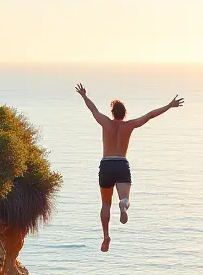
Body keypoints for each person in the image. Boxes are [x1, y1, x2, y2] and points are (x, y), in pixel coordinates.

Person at [75, 84, 184, 251]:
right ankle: (123, 204)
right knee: (124, 198)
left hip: (106, 164)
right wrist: (169, 105)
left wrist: (84, 96)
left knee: (105, 204)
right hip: (121, 164)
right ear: (124, 114)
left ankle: (106, 236)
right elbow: (150, 115)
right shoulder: (130, 125)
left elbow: (93, 109)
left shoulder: (105, 122)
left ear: (112, 113)